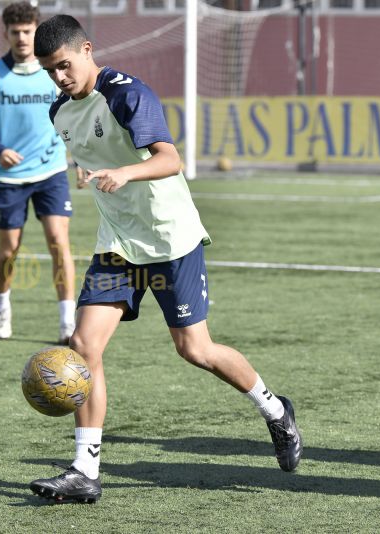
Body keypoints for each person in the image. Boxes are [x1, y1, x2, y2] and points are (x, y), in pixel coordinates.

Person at [29, 15, 303, 504]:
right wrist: (92, 174)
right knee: (83, 345)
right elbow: (91, 156)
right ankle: (84, 470)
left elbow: (169, 159)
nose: (58, 78)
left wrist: (125, 173)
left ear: (87, 49)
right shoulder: (59, 112)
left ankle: (275, 410)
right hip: (116, 243)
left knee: (194, 350)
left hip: (170, 239)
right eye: (49, 70)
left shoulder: (127, 94)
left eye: (64, 66)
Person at [0, 2, 76, 344]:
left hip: (51, 172)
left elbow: (73, 115)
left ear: (36, 31)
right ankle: (2, 307)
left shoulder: (54, 72)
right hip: (9, 179)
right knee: (8, 251)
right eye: (15, 32)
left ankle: (67, 321)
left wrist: (82, 159)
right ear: (6, 33)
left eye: (27, 31)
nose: (21, 38)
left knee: (59, 244)